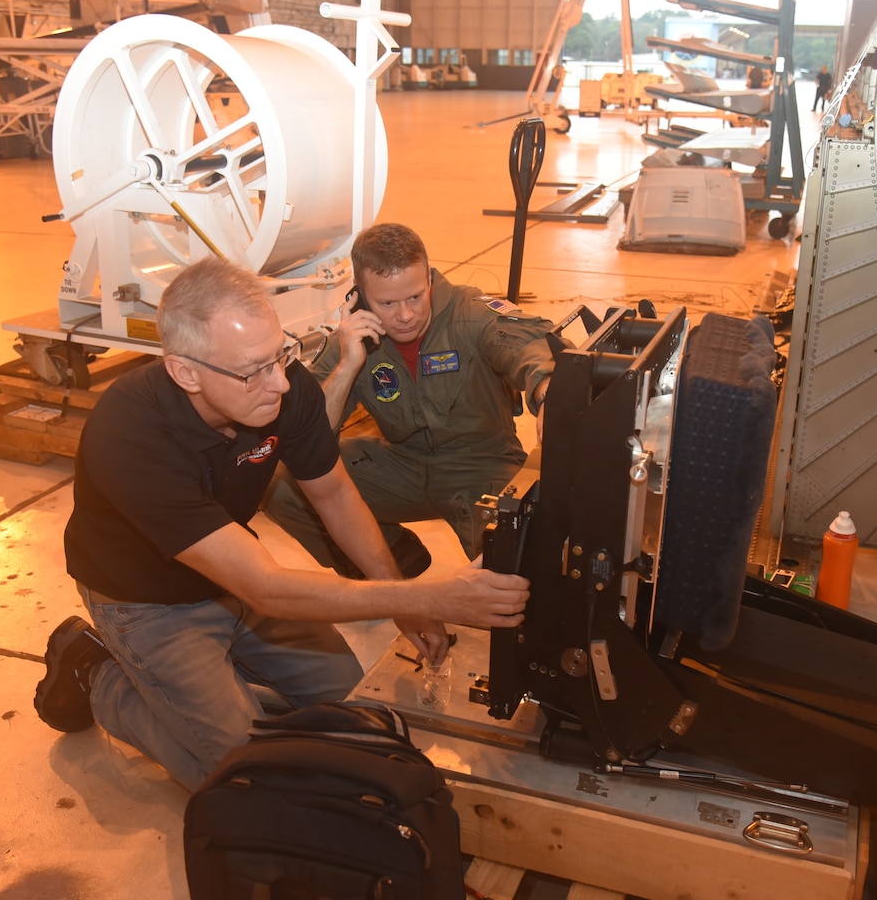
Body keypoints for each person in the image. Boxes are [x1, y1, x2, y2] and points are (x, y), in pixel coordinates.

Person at [32, 255, 529, 791]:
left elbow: (335, 493)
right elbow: (266, 588)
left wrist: (400, 595)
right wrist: (430, 598)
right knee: (241, 777)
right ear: (185, 372)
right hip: (147, 604)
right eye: (254, 370)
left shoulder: (278, 387)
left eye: (281, 354)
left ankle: (219, 697)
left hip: (231, 579)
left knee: (357, 710)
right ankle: (98, 673)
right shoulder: (132, 435)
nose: (282, 384)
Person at [264, 222, 557, 576]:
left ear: (430, 280)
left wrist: (549, 394)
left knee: (522, 572)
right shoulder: (355, 339)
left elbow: (529, 346)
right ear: (358, 297)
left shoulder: (470, 313)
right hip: (402, 466)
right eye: (387, 303)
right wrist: (347, 366)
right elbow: (306, 436)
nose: (405, 315)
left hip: (481, 465)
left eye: (415, 297)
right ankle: (389, 567)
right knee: (282, 483)